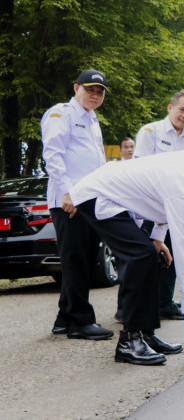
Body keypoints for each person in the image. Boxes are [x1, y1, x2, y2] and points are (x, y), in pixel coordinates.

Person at [64, 150, 184, 365]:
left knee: (149, 253)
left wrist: (157, 239)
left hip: (122, 199)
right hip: (100, 196)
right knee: (140, 256)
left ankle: (145, 334)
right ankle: (129, 342)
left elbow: (163, 198)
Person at [40, 69, 113, 340]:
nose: (95, 94)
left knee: (81, 258)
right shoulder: (61, 114)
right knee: (76, 260)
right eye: (90, 89)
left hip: (89, 199)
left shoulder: (92, 120)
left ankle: (64, 318)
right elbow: (53, 155)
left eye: (100, 91)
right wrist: (66, 193)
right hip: (69, 201)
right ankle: (81, 321)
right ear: (76, 88)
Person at [133, 91, 184, 320]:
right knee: (142, 260)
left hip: (176, 209)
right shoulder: (151, 132)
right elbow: (139, 170)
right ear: (170, 108)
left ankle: (164, 302)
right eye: (182, 110)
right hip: (149, 207)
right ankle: (129, 308)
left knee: (172, 256)